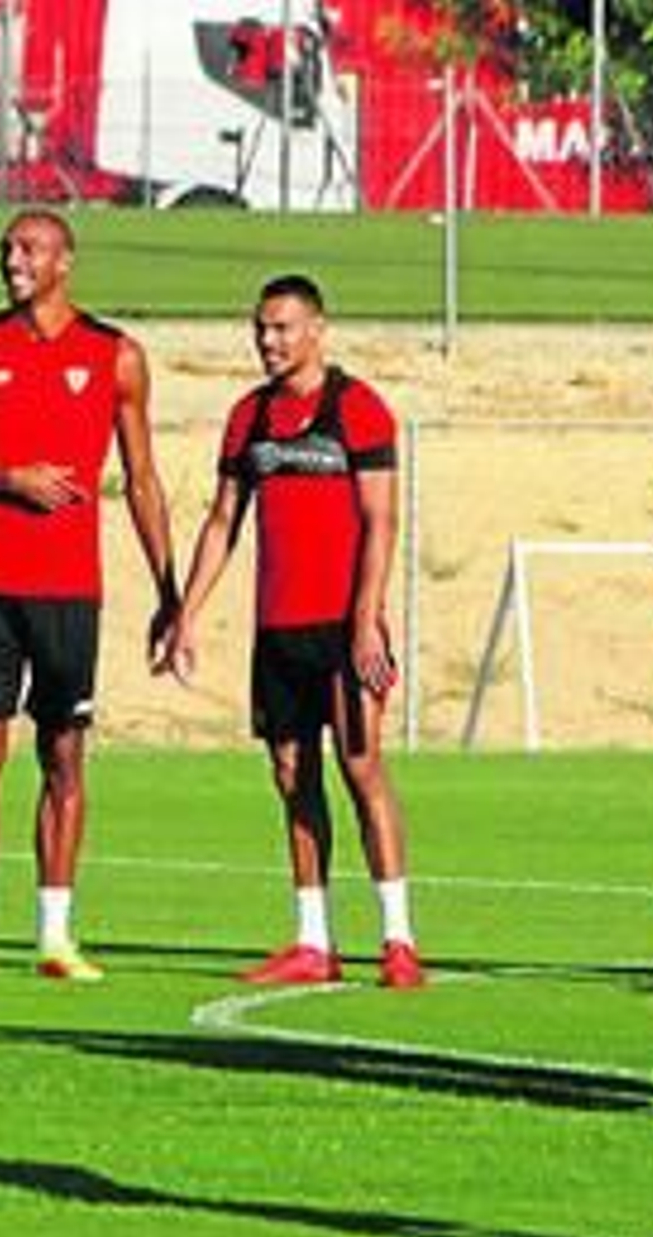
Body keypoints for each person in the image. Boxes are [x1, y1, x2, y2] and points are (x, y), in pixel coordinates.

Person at [0, 209, 178, 984]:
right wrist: (4, 480)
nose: (12, 260)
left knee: (64, 755)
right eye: (6, 249)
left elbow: (143, 479)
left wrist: (170, 591)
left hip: (69, 592)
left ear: (66, 261)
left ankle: (56, 937)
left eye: (28, 249)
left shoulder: (115, 356)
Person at [162, 274, 423, 989]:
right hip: (277, 629)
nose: (268, 342)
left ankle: (398, 938)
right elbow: (223, 522)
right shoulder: (248, 418)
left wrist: (366, 619)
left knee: (361, 768)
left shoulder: (358, 409)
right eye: (260, 329)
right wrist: (187, 614)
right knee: (291, 776)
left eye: (281, 328)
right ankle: (314, 939)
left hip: (344, 629)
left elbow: (381, 522)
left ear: (317, 329)